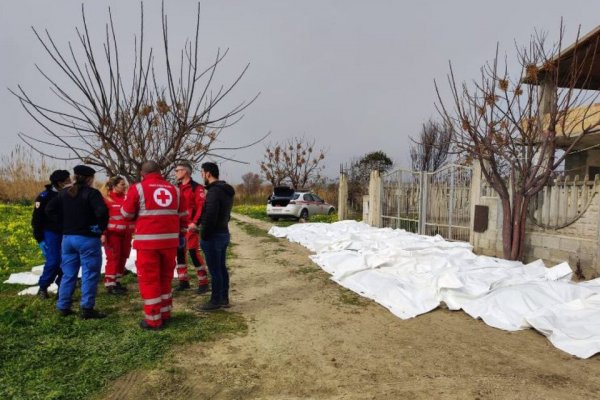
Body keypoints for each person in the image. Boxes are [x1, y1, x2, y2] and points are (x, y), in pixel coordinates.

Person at [121, 161, 188, 330]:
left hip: (147, 243)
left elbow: (126, 213)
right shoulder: (175, 190)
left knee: (150, 280)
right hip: (170, 243)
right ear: (160, 171)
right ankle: (165, 313)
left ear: (142, 173)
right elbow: (184, 217)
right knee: (165, 277)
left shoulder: (138, 188)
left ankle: (153, 320)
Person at [46, 165, 108, 319]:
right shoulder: (92, 193)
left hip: (68, 239)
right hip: (87, 238)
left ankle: (63, 306)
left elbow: (49, 210)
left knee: (68, 273)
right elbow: (101, 212)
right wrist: (99, 228)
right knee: (89, 273)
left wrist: (62, 225)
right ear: (89, 178)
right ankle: (87, 308)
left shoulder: (63, 193)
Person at [197, 162, 235, 311]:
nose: (201, 176)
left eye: (202, 172)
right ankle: (224, 298)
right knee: (221, 268)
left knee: (215, 270)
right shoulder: (226, 190)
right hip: (224, 233)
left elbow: (211, 215)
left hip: (213, 236)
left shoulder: (214, 192)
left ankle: (215, 301)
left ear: (208, 173)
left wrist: (204, 234)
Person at [31, 169, 71, 299]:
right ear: (59, 183)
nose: (70, 182)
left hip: (67, 232)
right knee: (53, 261)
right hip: (51, 233)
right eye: (67, 181)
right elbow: (36, 219)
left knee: (67, 261)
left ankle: (62, 288)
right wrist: (39, 238)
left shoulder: (70, 194)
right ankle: (43, 286)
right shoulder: (44, 197)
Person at [173, 162, 210, 294]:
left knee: (194, 253)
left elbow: (201, 207)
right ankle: (183, 282)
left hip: (190, 227)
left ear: (185, 171)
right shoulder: (176, 188)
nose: (175, 172)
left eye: (177, 170)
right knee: (180, 254)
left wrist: (195, 223)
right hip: (178, 228)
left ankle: (203, 282)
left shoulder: (197, 188)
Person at [101, 176, 134, 294]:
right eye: (121, 184)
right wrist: (103, 234)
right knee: (113, 257)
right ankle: (110, 284)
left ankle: (117, 281)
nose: (124, 186)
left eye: (124, 184)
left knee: (123, 256)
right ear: (114, 186)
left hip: (127, 234)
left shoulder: (127, 198)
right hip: (112, 235)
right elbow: (102, 218)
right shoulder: (107, 199)